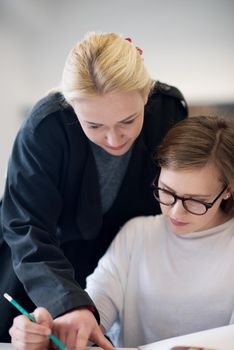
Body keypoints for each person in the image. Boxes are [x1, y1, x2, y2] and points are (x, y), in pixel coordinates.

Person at [0, 31, 187, 346]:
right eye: (94, 126)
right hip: (41, 264)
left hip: (118, 261)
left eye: (128, 121)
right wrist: (67, 301)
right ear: (72, 107)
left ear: (146, 96)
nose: (114, 140)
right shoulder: (46, 125)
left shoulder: (169, 111)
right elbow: (25, 225)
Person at [9, 115, 234, 350]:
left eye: (195, 201)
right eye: (167, 192)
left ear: (227, 190)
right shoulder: (137, 234)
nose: (175, 212)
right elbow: (93, 311)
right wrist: (51, 331)